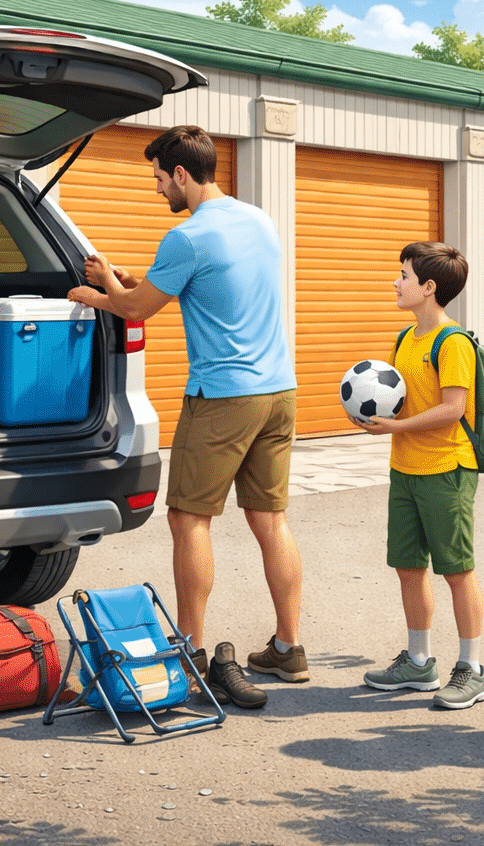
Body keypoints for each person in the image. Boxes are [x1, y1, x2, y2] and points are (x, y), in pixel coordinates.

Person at [66, 125, 306, 711]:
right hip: (278, 390)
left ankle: (190, 652)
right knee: (269, 520)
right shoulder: (258, 220)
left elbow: (138, 308)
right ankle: (288, 648)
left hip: (223, 396)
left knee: (188, 520)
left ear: (180, 174)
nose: (155, 189)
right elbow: (177, 289)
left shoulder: (187, 236)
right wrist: (116, 281)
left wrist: (93, 295)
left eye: (157, 178)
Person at [349, 241, 484, 710]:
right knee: (408, 567)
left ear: (429, 288)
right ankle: (419, 661)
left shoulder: (452, 343)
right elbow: (405, 400)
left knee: (457, 570)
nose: (396, 281)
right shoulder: (405, 339)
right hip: (405, 469)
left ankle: (472, 669)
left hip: (446, 469)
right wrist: (375, 416)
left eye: (404, 275)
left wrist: (396, 426)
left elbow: (453, 409)